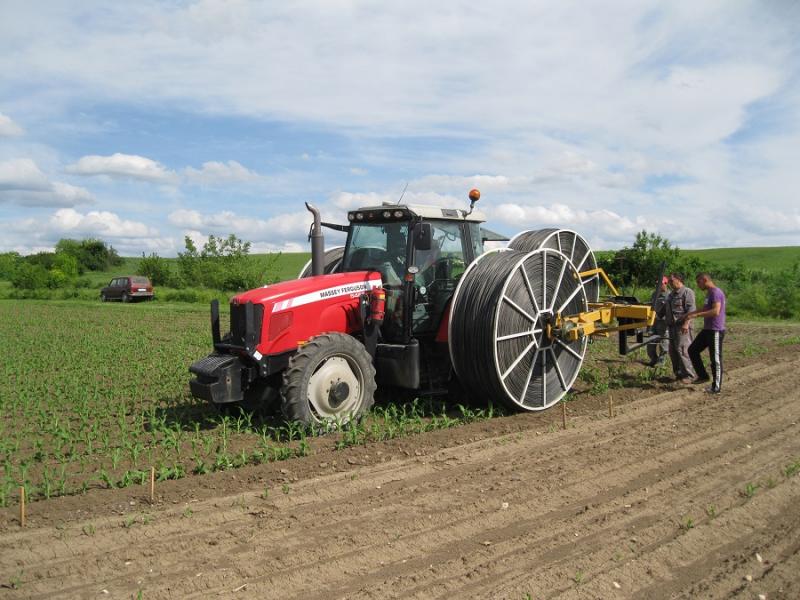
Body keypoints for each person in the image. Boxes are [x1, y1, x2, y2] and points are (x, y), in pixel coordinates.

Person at [685, 272, 726, 394]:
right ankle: (703, 376)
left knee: (715, 359)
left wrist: (697, 315)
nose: (698, 285)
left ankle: (716, 387)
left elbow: (715, 311)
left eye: (699, 282)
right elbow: (705, 309)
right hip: (707, 329)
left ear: (705, 279)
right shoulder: (709, 293)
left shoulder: (716, 292)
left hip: (716, 330)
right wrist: (691, 314)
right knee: (692, 350)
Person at [662, 272, 697, 383]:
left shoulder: (687, 292)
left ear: (679, 280)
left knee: (682, 350)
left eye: (672, 281)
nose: (670, 283)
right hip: (671, 327)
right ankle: (678, 374)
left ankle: (689, 375)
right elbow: (664, 309)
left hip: (682, 327)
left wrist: (686, 324)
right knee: (673, 351)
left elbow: (691, 311)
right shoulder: (671, 295)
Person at [647, 276, 669, 367]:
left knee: (663, 342)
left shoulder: (669, 295)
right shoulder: (654, 294)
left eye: (660, 283)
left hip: (663, 323)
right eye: (656, 284)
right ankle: (653, 358)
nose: (658, 285)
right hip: (653, 321)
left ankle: (661, 361)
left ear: (665, 284)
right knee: (650, 341)